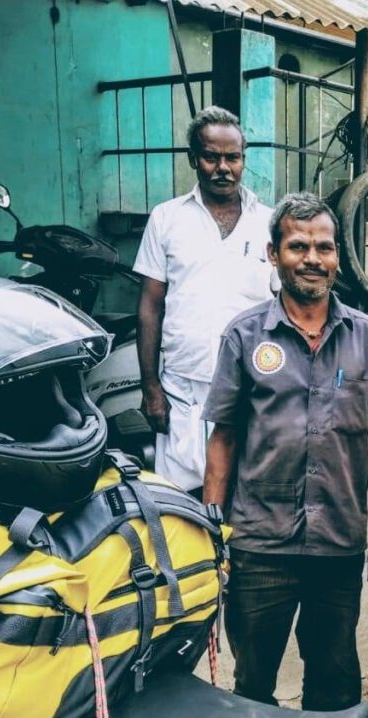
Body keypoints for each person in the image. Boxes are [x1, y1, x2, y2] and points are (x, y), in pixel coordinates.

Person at [203, 192, 368, 711]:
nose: (312, 258)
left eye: (324, 247)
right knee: (252, 685)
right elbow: (223, 437)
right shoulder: (245, 337)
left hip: (337, 545)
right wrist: (212, 530)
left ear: (338, 256)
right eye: (298, 246)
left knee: (335, 684)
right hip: (258, 544)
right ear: (274, 254)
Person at [134, 105, 273, 495]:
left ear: (244, 160)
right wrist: (151, 386)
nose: (223, 167)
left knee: (249, 493)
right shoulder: (166, 218)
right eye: (212, 157)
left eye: (233, 157)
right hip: (183, 389)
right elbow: (150, 307)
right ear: (194, 159)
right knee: (181, 495)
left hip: (254, 387)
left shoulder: (269, 223)